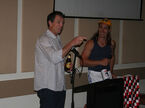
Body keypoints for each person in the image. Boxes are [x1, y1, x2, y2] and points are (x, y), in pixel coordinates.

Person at [34, 11, 87, 108]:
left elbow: (56, 61)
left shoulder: (57, 39)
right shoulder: (43, 39)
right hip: (48, 88)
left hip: (59, 87)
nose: (61, 25)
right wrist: (72, 43)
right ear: (50, 23)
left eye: (63, 23)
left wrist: (65, 67)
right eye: (58, 22)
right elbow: (54, 57)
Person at [81, 19, 116, 83]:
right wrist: (100, 62)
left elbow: (112, 58)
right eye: (100, 27)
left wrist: (111, 72)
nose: (102, 30)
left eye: (105, 28)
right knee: (97, 93)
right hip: (94, 74)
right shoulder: (91, 43)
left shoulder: (112, 43)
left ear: (109, 30)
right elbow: (82, 62)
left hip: (107, 74)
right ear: (98, 28)